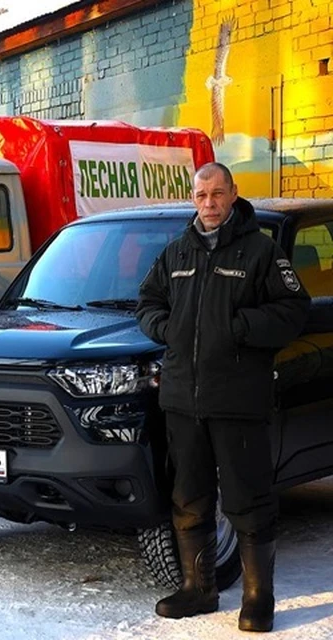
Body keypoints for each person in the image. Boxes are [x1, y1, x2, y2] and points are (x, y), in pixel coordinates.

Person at [137, 162, 310, 632]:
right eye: (201, 195)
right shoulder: (176, 252)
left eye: (217, 194)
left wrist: (239, 328)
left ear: (234, 193)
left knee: (248, 500)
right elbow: (147, 303)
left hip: (238, 399)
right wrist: (168, 328)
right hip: (182, 400)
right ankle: (199, 589)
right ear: (193, 197)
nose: (209, 204)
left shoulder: (261, 252)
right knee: (189, 498)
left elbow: (294, 310)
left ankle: (258, 598)